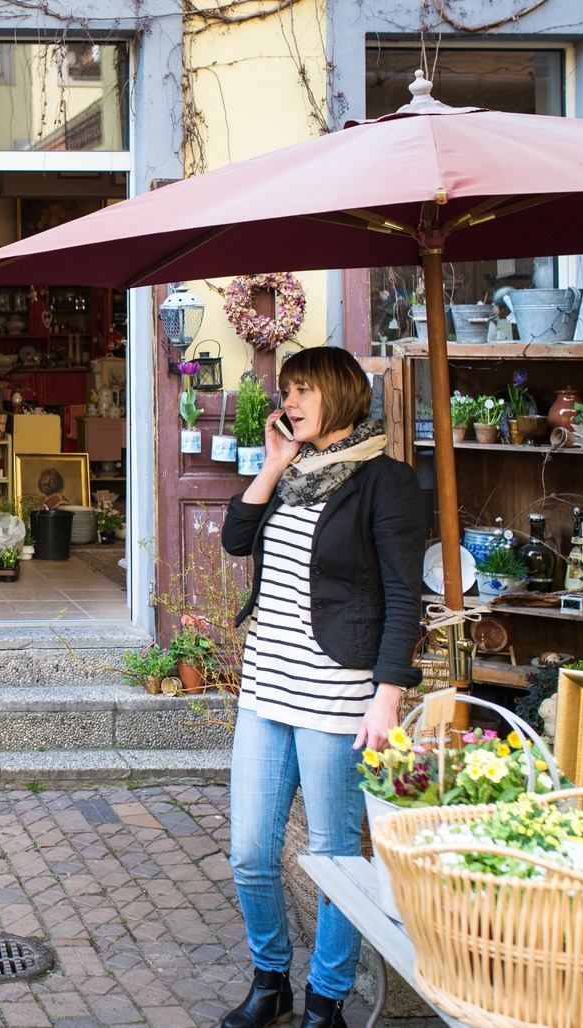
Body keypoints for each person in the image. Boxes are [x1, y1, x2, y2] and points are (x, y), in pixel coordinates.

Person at [216, 347, 425, 1028]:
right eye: (287, 390)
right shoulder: (294, 471)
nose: (292, 401)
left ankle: (326, 1000)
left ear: (338, 394)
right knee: (250, 850)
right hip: (267, 685)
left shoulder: (385, 482)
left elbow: (403, 594)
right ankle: (270, 978)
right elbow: (235, 539)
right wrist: (272, 465)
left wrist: (388, 692)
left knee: (335, 860)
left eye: (304, 389)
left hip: (337, 692)